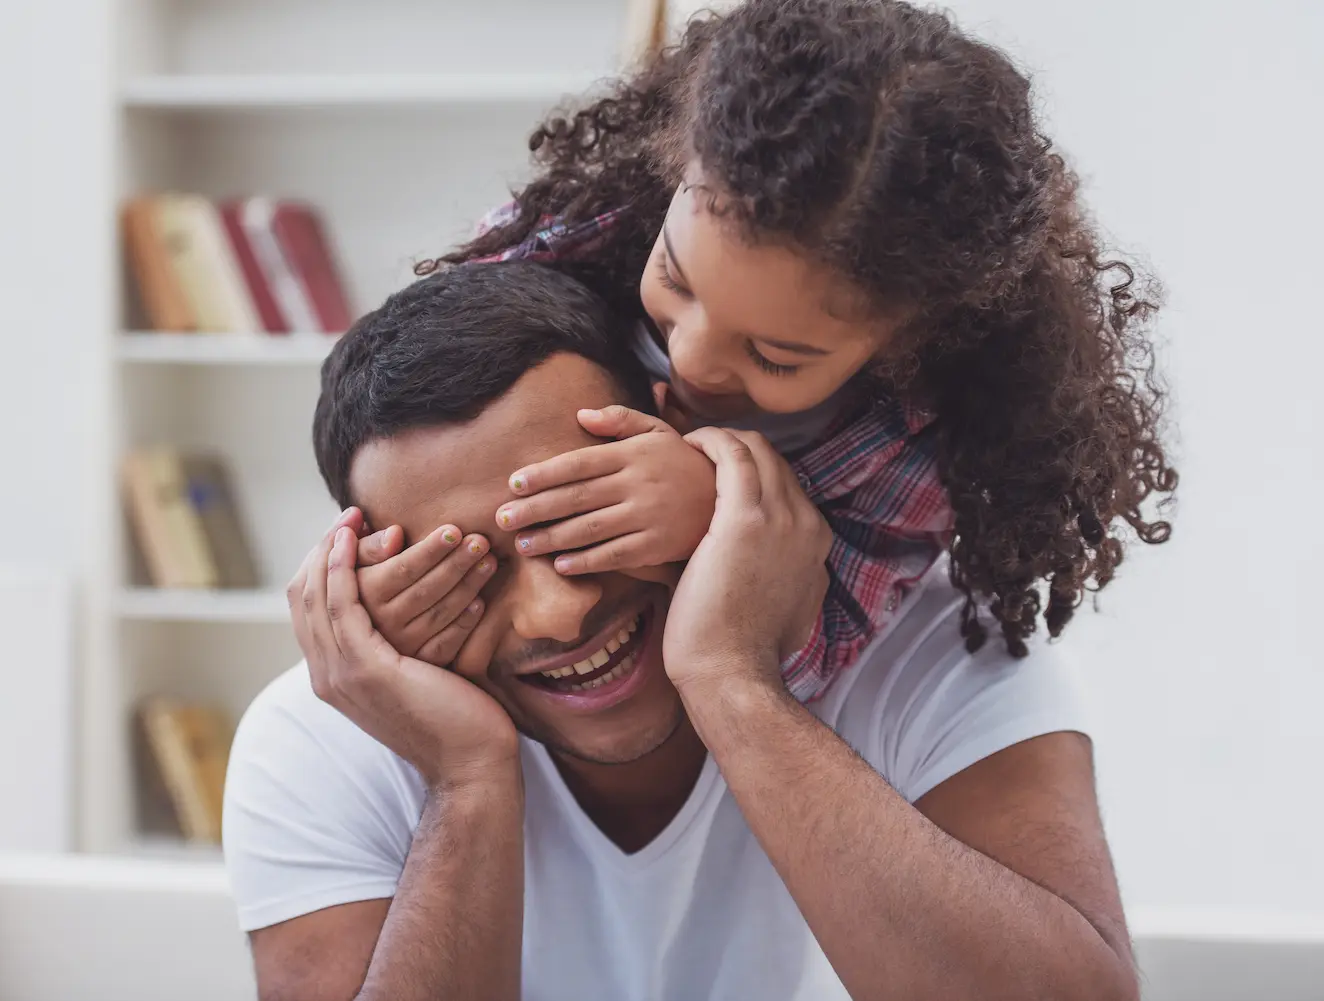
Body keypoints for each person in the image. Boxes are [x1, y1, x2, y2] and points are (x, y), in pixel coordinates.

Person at [223, 262, 1138, 1001]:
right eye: (472, 569)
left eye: (584, 521)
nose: (559, 611)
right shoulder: (319, 736)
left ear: (679, 440)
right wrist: (466, 781)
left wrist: (734, 680)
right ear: (367, 583)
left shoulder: (937, 645)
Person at [345, 0, 1177, 703]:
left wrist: (716, 514)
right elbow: (409, 401)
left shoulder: (917, 448)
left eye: (777, 356)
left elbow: (823, 650)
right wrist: (392, 578)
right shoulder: (572, 231)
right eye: (674, 276)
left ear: (906, 343)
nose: (697, 360)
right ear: (674, 165)